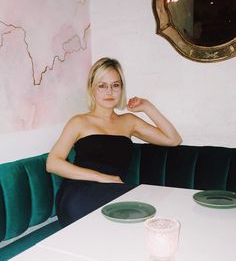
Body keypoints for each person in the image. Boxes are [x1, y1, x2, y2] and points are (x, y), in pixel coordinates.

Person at [46, 57, 182, 227]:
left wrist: (147, 107)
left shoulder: (129, 121)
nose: (109, 92)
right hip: (79, 192)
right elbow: (52, 163)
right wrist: (101, 177)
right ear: (92, 88)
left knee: (151, 213)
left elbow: (173, 139)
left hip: (114, 191)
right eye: (102, 86)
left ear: (121, 89)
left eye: (115, 85)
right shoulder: (79, 122)